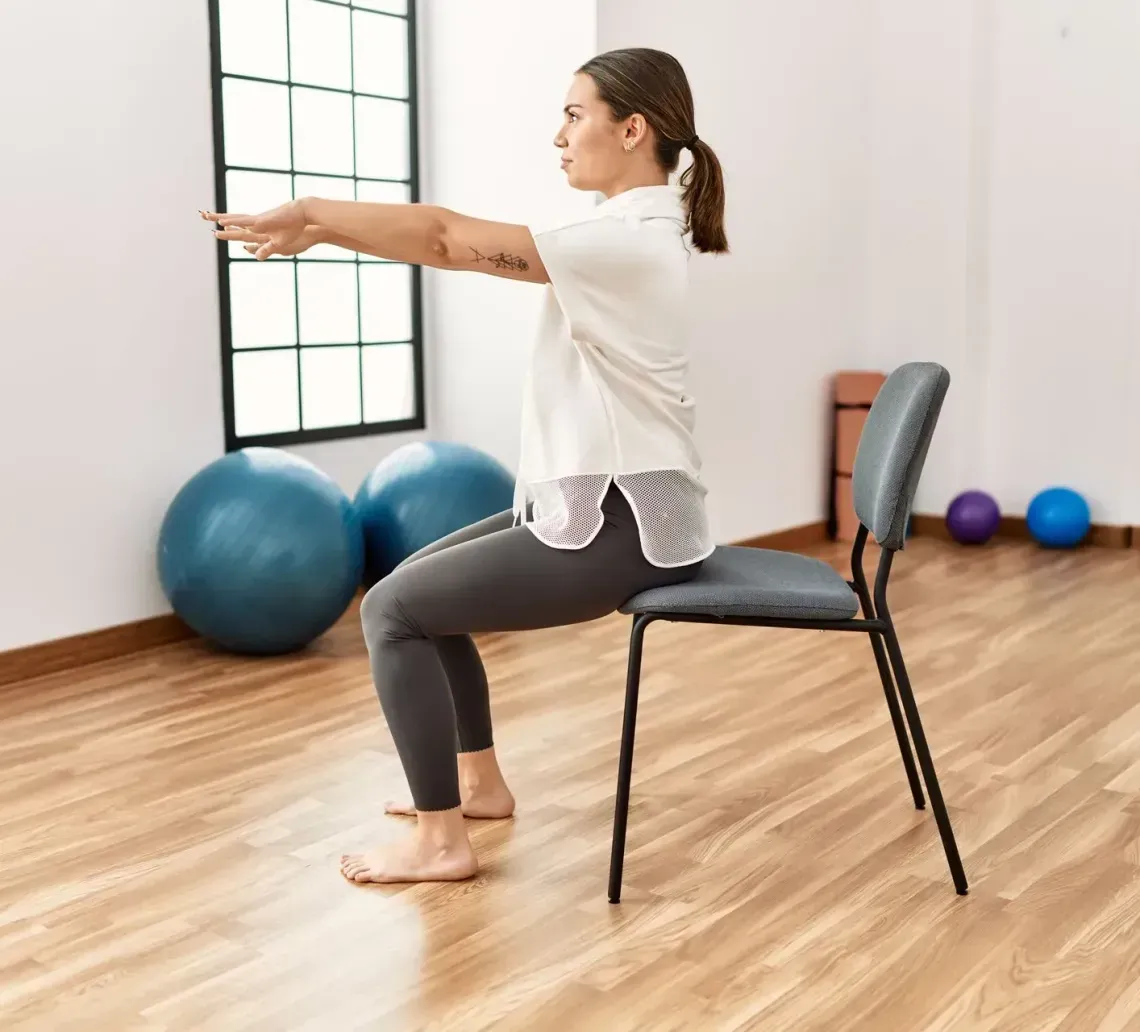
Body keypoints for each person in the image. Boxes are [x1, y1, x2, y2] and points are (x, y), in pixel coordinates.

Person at [202, 47, 728, 885]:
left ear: (634, 129)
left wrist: (310, 209)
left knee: (393, 612)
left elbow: (447, 237)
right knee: (414, 584)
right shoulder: (632, 233)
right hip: (611, 506)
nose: (558, 136)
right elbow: (446, 239)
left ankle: (441, 843)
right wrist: (321, 228)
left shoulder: (623, 240)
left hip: (624, 528)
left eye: (574, 114)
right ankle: (478, 785)